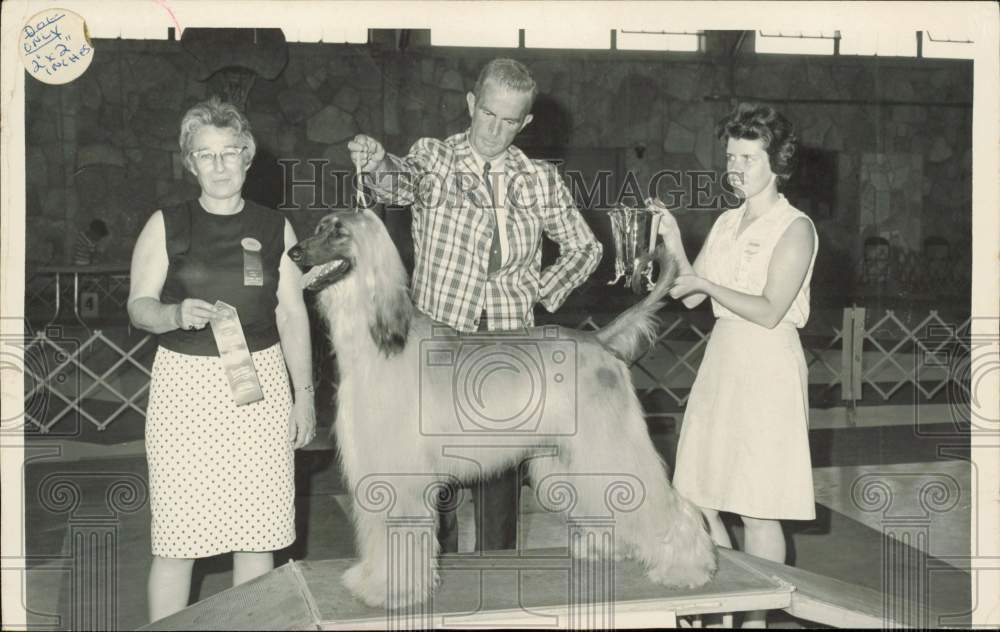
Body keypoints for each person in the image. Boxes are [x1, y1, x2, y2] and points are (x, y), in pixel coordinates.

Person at [347, 58, 602, 553]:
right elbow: (395, 182)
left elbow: (585, 248)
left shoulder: (540, 179)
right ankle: (430, 574)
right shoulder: (435, 158)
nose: (495, 130)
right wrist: (378, 161)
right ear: (471, 104)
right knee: (428, 472)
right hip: (436, 341)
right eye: (488, 114)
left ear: (525, 122)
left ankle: (497, 579)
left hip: (506, 343)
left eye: (510, 121)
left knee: (498, 480)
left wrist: (541, 289)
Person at [127, 97, 316, 622]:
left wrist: (305, 398)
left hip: (261, 384)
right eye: (204, 155)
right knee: (177, 538)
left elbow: (293, 316)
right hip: (185, 389)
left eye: (229, 152)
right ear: (189, 162)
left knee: (257, 534)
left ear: (248, 156)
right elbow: (138, 307)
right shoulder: (166, 223)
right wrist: (173, 313)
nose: (218, 165)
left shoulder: (277, 227)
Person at [650, 102, 817, 628]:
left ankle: (756, 621)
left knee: (758, 508)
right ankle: (728, 606)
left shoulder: (796, 228)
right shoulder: (726, 221)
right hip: (723, 361)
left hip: (767, 367)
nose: (735, 167)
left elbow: (770, 309)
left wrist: (704, 284)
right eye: (730, 156)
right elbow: (692, 295)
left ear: (777, 162)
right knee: (696, 495)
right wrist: (674, 241)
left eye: (747, 157)